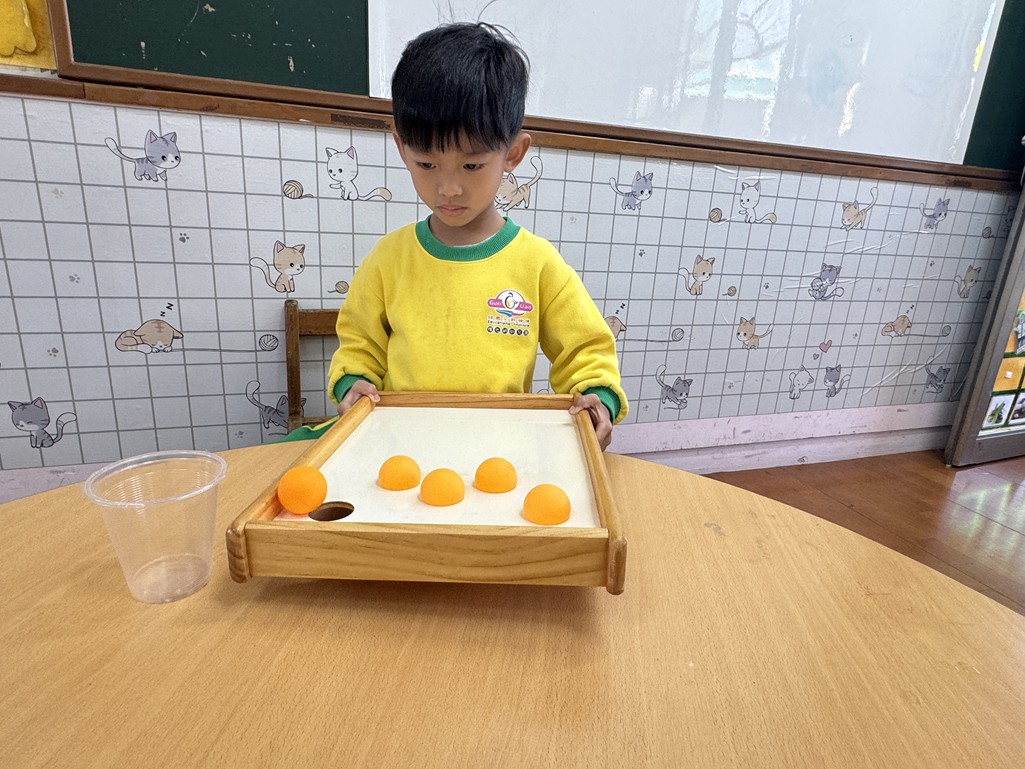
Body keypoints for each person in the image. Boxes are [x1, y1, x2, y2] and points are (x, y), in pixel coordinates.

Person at [327, 22, 627, 448]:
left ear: (513, 154)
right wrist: (353, 382)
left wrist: (598, 397)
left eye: (471, 166)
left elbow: (586, 350)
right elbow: (359, 345)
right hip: (401, 448)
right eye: (426, 164)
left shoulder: (537, 263)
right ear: (401, 149)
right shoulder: (389, 258)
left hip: (500, 452)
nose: (449, 188)